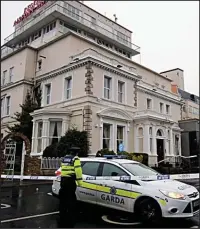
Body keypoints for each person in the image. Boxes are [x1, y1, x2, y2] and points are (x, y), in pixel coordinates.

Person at [59, 147, 83, 228]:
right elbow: (78, 171)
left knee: (63, 198)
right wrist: (80, 182)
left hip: (63, 180)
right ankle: (71, 217)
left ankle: (62, 215)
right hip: (70, 180)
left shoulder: (64, 158)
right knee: (71, 198)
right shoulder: (75, 159)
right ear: (76, 153)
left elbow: (62, 169)